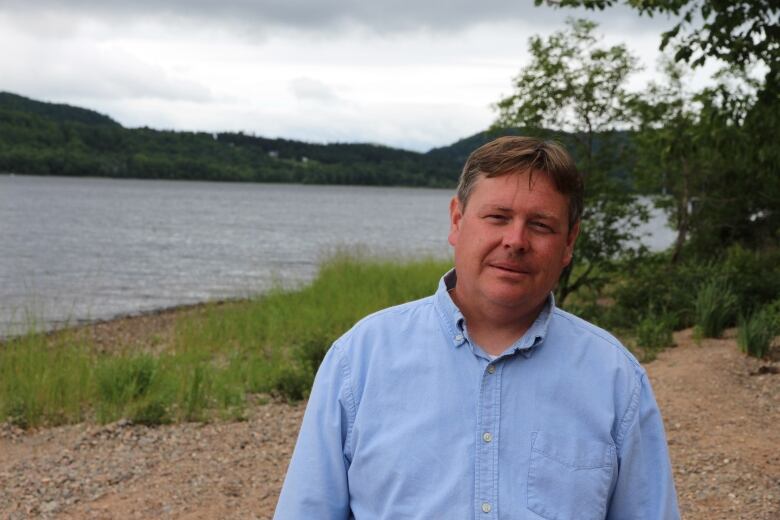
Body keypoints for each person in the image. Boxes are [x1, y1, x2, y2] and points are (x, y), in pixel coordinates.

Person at [274, 136, 679, 519]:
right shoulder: (359, 361)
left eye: (540, 225)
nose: (515, 240)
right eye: (498, 217)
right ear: (457, 220)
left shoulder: (615, 379)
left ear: (569, 242)